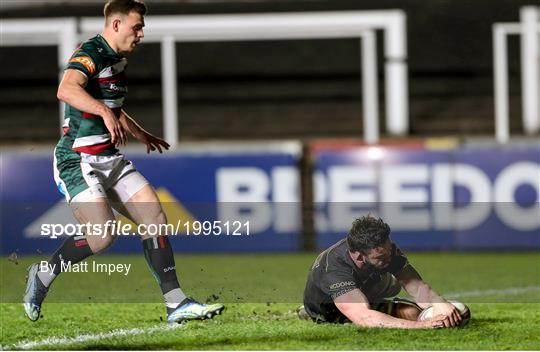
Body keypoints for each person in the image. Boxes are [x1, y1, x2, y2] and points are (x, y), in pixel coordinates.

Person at [23, 0, 224, 324]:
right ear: (115, 25)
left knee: (154, 215)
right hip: (78, 159)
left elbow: (111, 106)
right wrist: (103, 112)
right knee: (103, 237)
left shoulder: (116, 61)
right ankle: (43, 274)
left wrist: (141, 133)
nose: (141, 33)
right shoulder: (90, 52)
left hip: (108, 157)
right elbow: (66, 89)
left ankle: (176, 304)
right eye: (137, 27)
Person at [299, 215, 467, 329]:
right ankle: (307, 312)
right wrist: (421, 326)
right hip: (329, 309)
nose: (389, 258)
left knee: (411, 310)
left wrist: (440, 303)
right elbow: (363, 317)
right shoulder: (334, 268)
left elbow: (416, 286)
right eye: (380, 257)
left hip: (364, 289)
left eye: (389, 251)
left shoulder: (385, 251)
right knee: (407, 315)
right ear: (358, 255)